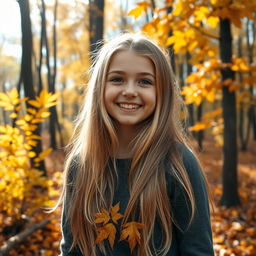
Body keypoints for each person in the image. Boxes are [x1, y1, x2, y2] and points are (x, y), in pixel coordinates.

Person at [57, 33, 215, 256]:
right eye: (117, 79)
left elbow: (198, 251)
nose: (130, 91)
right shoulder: (81, 163)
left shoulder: (179, 164)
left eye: (145, 81)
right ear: (99, 88)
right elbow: (71, 249)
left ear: (162, 92)